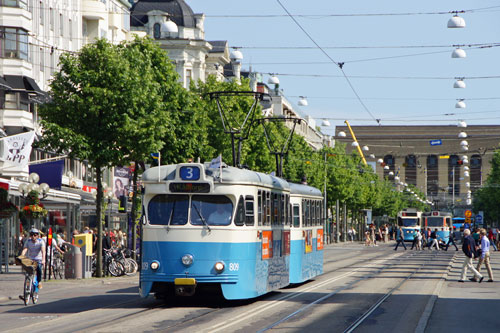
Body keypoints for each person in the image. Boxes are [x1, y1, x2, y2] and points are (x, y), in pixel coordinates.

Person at [19, 228, 46, 300]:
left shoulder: (41, 241)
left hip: (38, 259)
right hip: (30, 259)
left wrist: (43, 259)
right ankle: (26, 291)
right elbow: (25, 249)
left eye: (35, 235)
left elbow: (43, 251)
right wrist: (22, 256)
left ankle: (39, 282)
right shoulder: (28, 241)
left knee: (39, 269)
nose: (33, 236)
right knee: (27, 274)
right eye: (32, 235)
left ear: (38, 235)